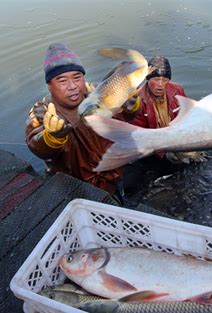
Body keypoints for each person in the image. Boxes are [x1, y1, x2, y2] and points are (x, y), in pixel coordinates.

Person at [25, 43, 136, 197]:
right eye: (62, 81)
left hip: (111, 176)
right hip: (75, 187)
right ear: (49, 86)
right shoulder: (42, 111)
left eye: (77, 78)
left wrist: (132, 105)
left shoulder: (98, 94)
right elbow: (36, 145)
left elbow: (126, 117)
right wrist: (53, 136)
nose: (72, 86)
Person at [123, 55, 204, 194]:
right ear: (147, 79)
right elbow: (140, 137)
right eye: (155, 79)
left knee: (193, 169)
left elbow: (188, 118)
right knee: (131, 186)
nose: (160, 84)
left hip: (172, 142)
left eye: (165, 80)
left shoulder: (177, 90)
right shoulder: (137, 100)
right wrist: (164, 154)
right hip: (146, 150)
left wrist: (191, 143)